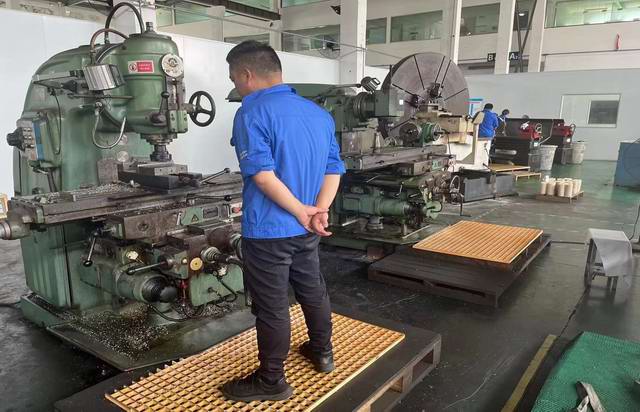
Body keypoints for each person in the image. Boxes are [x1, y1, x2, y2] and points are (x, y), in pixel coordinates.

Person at [221, 40, 345, 402]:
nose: (236, 84)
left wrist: (300, 211)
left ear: (246, 74)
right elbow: (333, 168)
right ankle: (322, 352)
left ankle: (271, 381)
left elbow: (262, 176)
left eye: (234, 77)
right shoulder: (318, 113)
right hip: (307, 228)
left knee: (272, 307)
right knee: (312, 290)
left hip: (269, 230)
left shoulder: (251, 112)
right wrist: (318, 210)